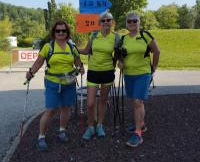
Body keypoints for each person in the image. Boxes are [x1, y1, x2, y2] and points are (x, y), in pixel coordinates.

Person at [26, 20, 84, 151]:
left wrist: (81, 67)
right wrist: (31, 72)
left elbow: (77, 61)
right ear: (54, 32)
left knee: (66, 108)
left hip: (69, 82)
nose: (61, 33)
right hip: (53, 82)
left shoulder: (71, 46)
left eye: (63, 30)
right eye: (58, 30)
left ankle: (62, 131)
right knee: (51, 109)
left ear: (67, 32)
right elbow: (38, 62)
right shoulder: (48, 46)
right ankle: (41, 137)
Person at [118, 12, 160, 147]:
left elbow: (157, 51)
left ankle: (138, 134)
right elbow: (119, 54)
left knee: (137, 101)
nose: (132, 24)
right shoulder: (123, 39)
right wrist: (120, 62)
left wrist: (153, 68)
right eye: (129, 21)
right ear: (126, 24)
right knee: (136, 101)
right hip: (129, 74)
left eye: (134, 21)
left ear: (139, 22)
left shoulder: (144, 35)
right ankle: (141, 125)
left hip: (143, 73)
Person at [78, 11, 119, 140]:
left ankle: (100, 125)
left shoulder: (116, 37)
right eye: (103, 20)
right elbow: (86, 50)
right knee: (90, 103)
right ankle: (90, 127)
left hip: (107, 72)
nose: (106, 22)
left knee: (102, 100)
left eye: (108, 20)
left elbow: (118, 54)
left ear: (112, 22)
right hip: (93, 72)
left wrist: (119, 62)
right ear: (99, 23)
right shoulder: (94, 35)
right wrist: (72, 47)